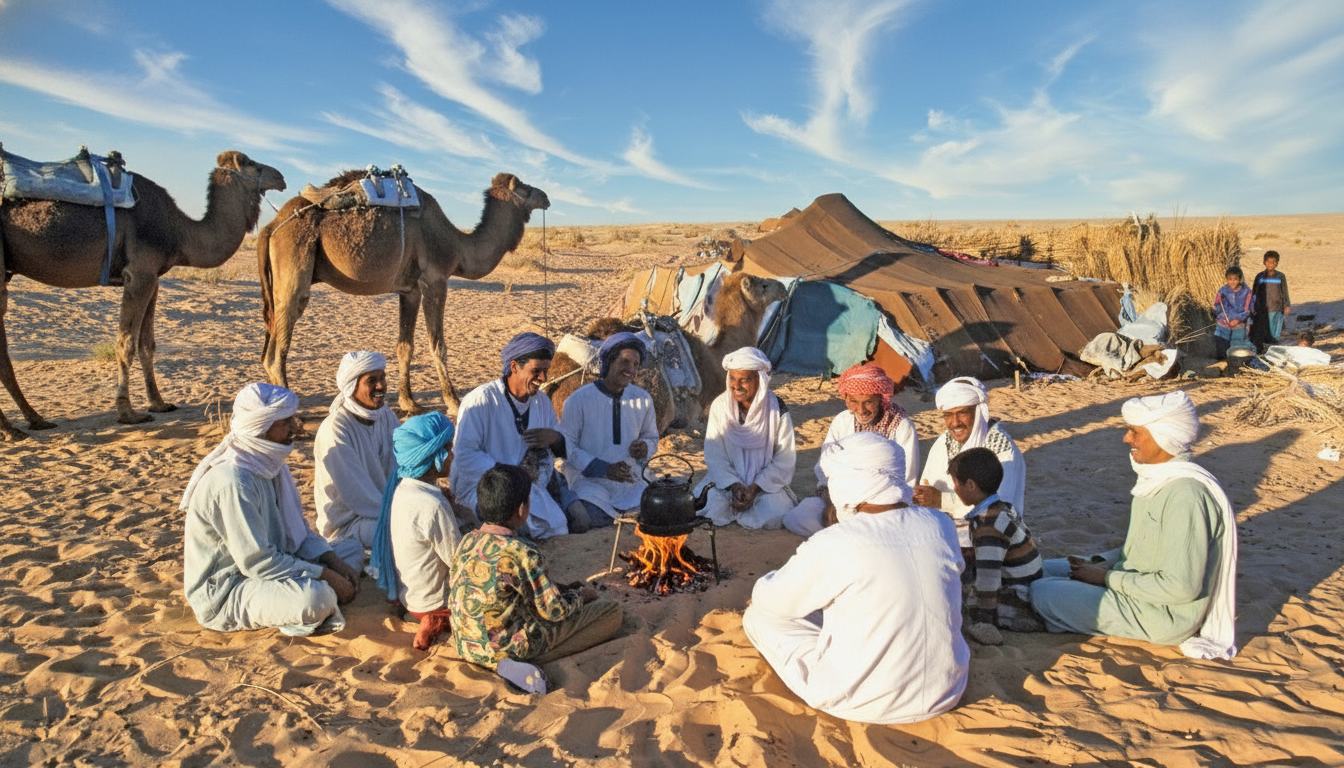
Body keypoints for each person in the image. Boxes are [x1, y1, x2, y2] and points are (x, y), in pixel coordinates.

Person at [742, 431, 969, 724]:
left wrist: (769, 580)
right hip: (947, 690)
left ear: (849, 481)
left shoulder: (837, 541)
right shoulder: (940, 524)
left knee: (758, 618)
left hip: (864, 700)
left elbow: (773, 601)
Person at [1030, 391, 1238, 659]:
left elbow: (1181, 588)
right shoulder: (1159, 480)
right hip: (1135, 584)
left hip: (1164, 615)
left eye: (1135, 432)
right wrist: (1099, 562)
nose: (1126, 439)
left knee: (1044, 592)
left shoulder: (1185, 494)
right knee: (1044, 568)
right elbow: (1141, 549)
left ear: (1163, 437)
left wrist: (1105, 578)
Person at [181, 383, 358, 636]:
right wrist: (327, 576)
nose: (293, 428)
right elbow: (258, 561)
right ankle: (312, 596)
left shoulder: (270, 464)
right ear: (261, 427)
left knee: (349, 549)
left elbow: (298, 530)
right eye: (284, 422)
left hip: (277, 562)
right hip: (230, 587)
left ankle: (314, 587)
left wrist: (333, 563)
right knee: (315, 599)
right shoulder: (234, 481)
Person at [449, 464, 624, 683]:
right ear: (522, 509)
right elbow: (555, 611)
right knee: (611, 613)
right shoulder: (522, 552)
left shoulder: (467, 541)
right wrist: (581, 597)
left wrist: (562, 589)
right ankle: (528, 662)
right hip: (507, 646)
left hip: (467, 645)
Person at [450, 332, 584, 539]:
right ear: (514, 367)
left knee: (560, 526)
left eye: (546, 371)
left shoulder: (542, 403)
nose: (543, 379)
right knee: (518, 531)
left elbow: (552, 452)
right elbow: (465, 454)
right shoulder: (480, 401)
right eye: (536, 371)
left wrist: (553, 439)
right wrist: (510, 475)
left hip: (530, 488)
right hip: (487, 489)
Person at [783, 362, 918, 538]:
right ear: (846, 399)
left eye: (868, 402)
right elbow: (824, 470)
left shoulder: (901, 426)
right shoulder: (842, 421)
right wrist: (831, 502)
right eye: (854, 401)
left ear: (881, 398)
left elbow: (907, 480)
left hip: (882, 507)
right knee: (798, 517)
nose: (861, 410)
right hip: (840, 501)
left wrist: (864, 508)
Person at [369, 412, 461, 650]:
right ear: (435, 455)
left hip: (410, 598)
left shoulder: (403, 489)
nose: (452, 455)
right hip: (434, 603)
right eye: (448, 449)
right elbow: (459, 562)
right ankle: (437, 622)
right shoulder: (432, 504)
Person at [559, 332, 660, 532]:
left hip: (631, 481)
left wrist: (645, 447)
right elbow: (566, 446)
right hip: (591, 483)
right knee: (588, 516)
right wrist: (603, 469)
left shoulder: (642, 399)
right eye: (624, 361)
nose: (630, 369)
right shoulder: (578, 400)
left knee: (660, 508)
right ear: (608, 362)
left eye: (635, 364)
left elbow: (651, 437)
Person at [314, 351, 401, 574]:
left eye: (383, 378)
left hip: (386, 509)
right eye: (372, 381)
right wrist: (406, 511)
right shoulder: (336, 429)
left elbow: (403, 467)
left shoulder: (386, 416)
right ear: (352, 386)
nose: (381, 386)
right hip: (349, 524)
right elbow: (360, 496)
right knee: (409, 531)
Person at [948, 447, 1044, 646]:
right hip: (1031, 580)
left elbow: (988, 579)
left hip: (1019, 594)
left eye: (956, 483)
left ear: (971, 485)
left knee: (962, 596)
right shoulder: (1003, 507)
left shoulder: (988, 525)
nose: (954, 489)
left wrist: (985, 619)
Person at [915, 376, 1026, 548]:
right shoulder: (943, 441)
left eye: (962, 413)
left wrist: (942, 501)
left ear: (978, 411)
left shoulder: (1001, 448)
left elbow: (998, 507)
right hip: (945, 531)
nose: (955, 422)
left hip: (990, 538)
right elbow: (927, 485)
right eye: (948, 415)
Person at [697, 346, 797, 529]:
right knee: (710, 506)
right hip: (726, 484)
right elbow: (715, 455)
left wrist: (754, 487)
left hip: (764, 486)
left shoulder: (777, 409)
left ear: (759, 379)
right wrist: (734, 485)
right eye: (733, 379)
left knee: (775, 512)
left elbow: (785, 458)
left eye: (744, 380)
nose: (736, 386)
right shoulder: (720, 406)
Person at [1250, 250, 1291, 349]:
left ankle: (1273, 347)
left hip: (1276, 307)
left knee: (1275, 330)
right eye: (1268, 262)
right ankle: (1264, 348)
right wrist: (1252, 305)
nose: (1270, 264)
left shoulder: (1280, 276)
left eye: (1273, 262)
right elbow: (1254, 292)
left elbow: (1284, 291)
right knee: (1263, 329)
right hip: (1262, 308)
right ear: (1264, 262)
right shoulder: (1260, 276)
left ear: (1277, 263)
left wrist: (1287, 305)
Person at [1212, 265, 1254, 360]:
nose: (1232, 282)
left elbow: (1248, 310)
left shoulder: (1247, 292)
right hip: (1224, 323)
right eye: (1230, 279)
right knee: (1221, 344)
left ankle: (1235, 364)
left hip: (1239, 324)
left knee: (1237, 347)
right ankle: (1222, 363)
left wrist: (1238, 320)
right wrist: (1216, 307)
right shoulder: (1222, 291)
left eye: (1235, 279)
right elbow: (1218, 307)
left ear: (1240, 279)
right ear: (1227, 279)